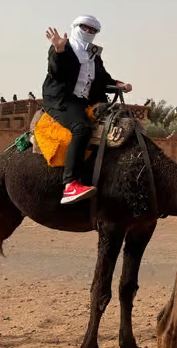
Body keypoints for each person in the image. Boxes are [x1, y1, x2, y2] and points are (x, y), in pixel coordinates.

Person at [42, 15, 132, 205]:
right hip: (63, 99)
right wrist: (58, 50)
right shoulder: (64, 46)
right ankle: (70, 184)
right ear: (76, 27)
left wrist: (119, 85)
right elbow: (56, 73)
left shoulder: (93, 55)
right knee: (81, 128)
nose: (89, 32)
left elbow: (103, 79)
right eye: (85, 28)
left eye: (93, 30)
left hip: (86, 101)